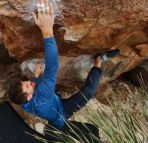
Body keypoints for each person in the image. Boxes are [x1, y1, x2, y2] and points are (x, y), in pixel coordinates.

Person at [8, 0, 120, 129]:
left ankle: (55, 96)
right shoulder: (42, 94)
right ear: (30, 96)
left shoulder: (23, 102)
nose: (29, 82)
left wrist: (37, 75)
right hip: (63, 111)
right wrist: (47, 31)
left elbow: (35, 89)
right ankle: (99, 59)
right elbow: (52, 66)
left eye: (25, 82)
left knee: (47, 91)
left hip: (53, 103)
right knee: (89, 92)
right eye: (27, 86)